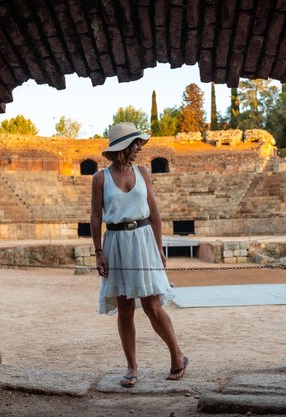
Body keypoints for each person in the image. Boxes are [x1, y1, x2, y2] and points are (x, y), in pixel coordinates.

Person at [90, 122, 187, 388]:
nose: (138, 149)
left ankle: (177, 355)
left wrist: (159, 248)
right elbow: (96, 216)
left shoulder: (143, 172)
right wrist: (99, 252)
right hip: (116, 243)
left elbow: (154, 212)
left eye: (139, 144)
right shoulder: (100, 178)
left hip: (143, 241)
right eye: (135, 144)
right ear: (122, 147)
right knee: (124, 307)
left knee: (152, 305)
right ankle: (132, 367)